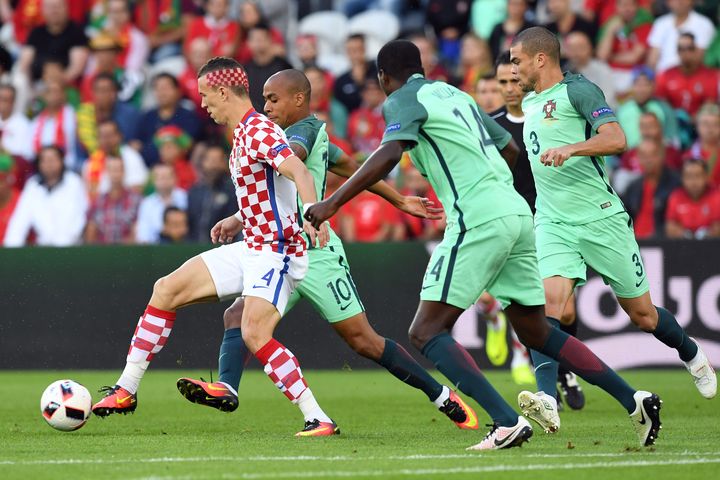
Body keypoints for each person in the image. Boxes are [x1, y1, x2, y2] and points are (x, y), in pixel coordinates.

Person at [306, 39, 667, 449]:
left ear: (383, 77)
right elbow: (509, 147)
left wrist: (332, 201)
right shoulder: (454, 93)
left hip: (477, 217)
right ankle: (633, 398)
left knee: (425, 332)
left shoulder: (403, 98)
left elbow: (389, 152)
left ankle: (505, 421)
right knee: (536, 331)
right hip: (516, 212)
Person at [178, 69, 479, 432]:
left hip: (316, 252)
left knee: (364, 341)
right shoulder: (294, 135)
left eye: (274, 99)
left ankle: (441, 396)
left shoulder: (300, 132)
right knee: (238, 317)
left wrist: (397, 200)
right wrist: (240, 218)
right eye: (265, 99)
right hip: (277, 251)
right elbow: (352, 168)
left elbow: (292, 165)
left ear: (299, 100)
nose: (267, 106)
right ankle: (227, 388)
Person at [91, 57, 338, 437]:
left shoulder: (259, 130)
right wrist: (239, 218)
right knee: (165, 289)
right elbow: (268, 190)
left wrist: (312, 215)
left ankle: (317, 416)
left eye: (206, 95)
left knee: (255, 333)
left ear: (224, 92)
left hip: (279, 250)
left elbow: (299, 171)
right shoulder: (242, 134)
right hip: (252, 244)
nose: (204, 104)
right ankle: (126, 389)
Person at [508, 26, 715, 433]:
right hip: (553, 220)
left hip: (602, 219)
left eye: (516, 61)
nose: (513, 70)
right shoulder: (532, 102)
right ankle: (547, 398)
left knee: (643, 316)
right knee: (547, 305)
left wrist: (572, 148)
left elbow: (617, 138)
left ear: (540, 59)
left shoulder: (579, 91)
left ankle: (692, 354)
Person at [4, 145, 87, 247]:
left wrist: (61, 248)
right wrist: (9, 251)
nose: (49, 164)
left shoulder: (73, 182)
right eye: (45, 160)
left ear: (61, 161)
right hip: (44, 250)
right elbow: (19, 221)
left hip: (71, 247)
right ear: (39, 164)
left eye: (53, 159)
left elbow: (79, 218)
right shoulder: (33, 185)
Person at [622, 139, 681, 238]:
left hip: (663, 243)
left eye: (653, 155)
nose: (648, 160)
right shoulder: (633, 187)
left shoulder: (675, 183)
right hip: (635, 242)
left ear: (662, 155)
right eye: (643, 156)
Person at [655, 33, 720, 119]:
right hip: (673, 122)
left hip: (700, 123)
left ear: (696, 50)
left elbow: (709, 105)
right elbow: (662, 105)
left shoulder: (710, 76)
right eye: (681, 49)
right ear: (677, 52)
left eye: (690, 48)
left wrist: (692, 120)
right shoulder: (666, 75)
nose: (686, 53)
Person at [84, 156, 142, 245]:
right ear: (106, 173)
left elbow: (138, 232)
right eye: (112, 170)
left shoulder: (136, 200)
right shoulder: (98, 201)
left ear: (124, 172)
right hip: (102, 253)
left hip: (128, 254)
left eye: (118, 169)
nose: (115, 174)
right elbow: (91, 231)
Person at [647, 0, 715, 73]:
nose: (679, 2)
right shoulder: (660, 23)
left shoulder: (704, 24)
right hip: (662, 77)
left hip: (690, 76)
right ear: (668, 2)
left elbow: (700, 57)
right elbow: (652, 58)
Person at [186, 144, 236, 243]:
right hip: (195, 246)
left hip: (225, 246)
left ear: (225, 163)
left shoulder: (234, 189)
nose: (214, 165)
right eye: (210, 160)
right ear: (203, 163)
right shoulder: (194, 191)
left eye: (217, 160)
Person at [665, 159, 720, 239]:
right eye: (689, 176)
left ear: (706, 177)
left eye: (698, 176)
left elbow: (718, 226)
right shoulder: (675, 196)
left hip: (711, 246)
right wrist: (684, 234)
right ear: (682, 178)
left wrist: (706, 234)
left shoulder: (716, 196)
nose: (693, 182)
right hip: (682, 246)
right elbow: (670, 227)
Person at [136, 163, 188, 244]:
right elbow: (143, 235)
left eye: (167, 177)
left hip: (183, 245)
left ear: (175, 178)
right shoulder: (147, 204)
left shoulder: (184, 197)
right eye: (161, 178)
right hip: (154, 249)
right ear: (154, 181)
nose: (164, 181)